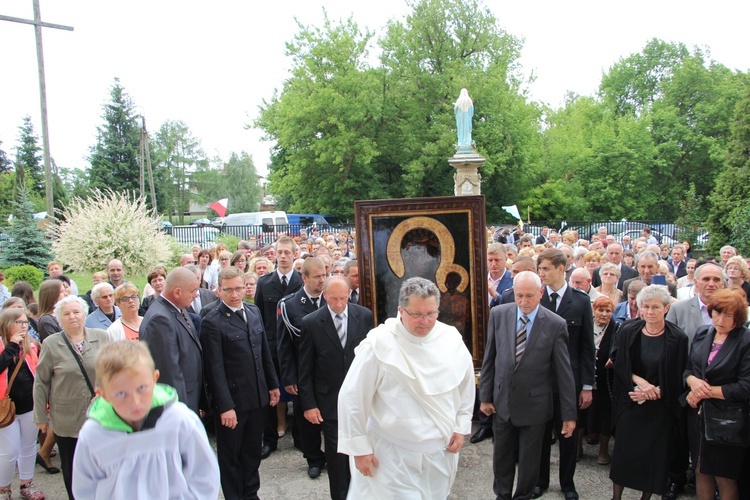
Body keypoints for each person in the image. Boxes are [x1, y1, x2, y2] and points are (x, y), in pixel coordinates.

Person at [338, 277, 473, 498]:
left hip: (440, 454)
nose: (425, 321)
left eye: (431, 313)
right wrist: (359, 448)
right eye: (417, 315)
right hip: (391, 456)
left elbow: (465, 386)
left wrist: (460, 426)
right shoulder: (379, 344)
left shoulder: (450, 338)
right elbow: (352, 397)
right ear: (401, 310)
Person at [72, 341, 220, 499]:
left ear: (155, 378)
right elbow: (85, 488)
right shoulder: (93, 434)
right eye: (121, 394)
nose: (135, 402)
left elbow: (204, 473)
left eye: (142, 388)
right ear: (103, 394)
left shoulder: (179, 420)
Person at [479, 271, 577, 500]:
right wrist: (485, 396)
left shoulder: (555, 324)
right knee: (501, 456)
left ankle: (522, 496)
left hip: (536, 406)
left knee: (530, 460)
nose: (524, 302)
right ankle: (502, 495)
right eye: (519, 295)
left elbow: (564, 374)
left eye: (529, 296)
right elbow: (490, 357)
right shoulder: (499, 314)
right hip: (502, 402)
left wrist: (569, 415)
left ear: (541, 293)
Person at [200, 266, 279, 499]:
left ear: (245, 287)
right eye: (228, 290)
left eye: (238, 288)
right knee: (231, 455)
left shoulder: (253, 311)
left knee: (252, 452)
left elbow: (263, 351)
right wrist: (225, 407)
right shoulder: (212, 321)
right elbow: (214, 369)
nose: (234, 295)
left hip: (256, 396)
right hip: (232, 402)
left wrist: (272, 385)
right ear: (219, 291)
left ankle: (250, 492)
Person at [298, 276, 374, 499]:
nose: (339, 304)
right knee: (338, 459)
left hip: (361, 400)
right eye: (334, 299)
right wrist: (309, 405)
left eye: (343, 298)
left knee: (365, 454)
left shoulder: (364, 315)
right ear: (325, 296)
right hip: (329, 403)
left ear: (350, 295)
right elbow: (305, 369)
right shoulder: (311, 322)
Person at [610, 285, 688, 500]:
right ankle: (616, 497)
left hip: (660, 407)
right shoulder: (628, 330)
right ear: (640, 308)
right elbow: (620, 363)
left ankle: (646, 497)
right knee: (624, 454)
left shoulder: (678, 338)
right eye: (646, 306)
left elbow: (679, 374)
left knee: (654, 458)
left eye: (656, 307)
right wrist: (638, 383)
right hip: (631, 401)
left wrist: (654, 392)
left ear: (666, 308)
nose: (650, 311)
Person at [33, 296, 109, 499]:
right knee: (73, 469)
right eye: (66, 313)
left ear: (84, 314)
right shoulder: (51, 343)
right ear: (59, 319)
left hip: (100, 418)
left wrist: (103, 393)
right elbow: (41, 382)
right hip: (67, 420)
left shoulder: (102, 337)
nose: (72, 316)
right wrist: (40, 417)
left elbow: (114, 371)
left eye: (76, 312)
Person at [534, 249, 595, 500]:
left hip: (569, 380)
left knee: (568, 433)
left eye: (546, 268)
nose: (541, 274)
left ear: (561, 268)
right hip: (541, 380)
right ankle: (540, 481)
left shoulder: (580, 301)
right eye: (539, 269)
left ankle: (567, 483)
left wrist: (587, 386)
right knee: (540, 434)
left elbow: (586, 347)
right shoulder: (536, 299)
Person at [683, 289, 750, 500]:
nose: (720, 320)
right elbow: (688, 370)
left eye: (728, 315)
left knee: (724, 477)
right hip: (699, 417)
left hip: (728, 420)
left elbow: (745, 387)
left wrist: (703, 392)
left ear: (737, 318)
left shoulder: (745, 340)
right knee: (701, 471)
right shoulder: (703, 333)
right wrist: (692, 381)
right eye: (717, 313)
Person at [276, 258, 328, 479]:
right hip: (303, 373)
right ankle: (314, 458)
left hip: (329, 372)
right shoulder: (289, 305)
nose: (322, 280)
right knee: (306, 419)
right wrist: (289, 378)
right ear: (304, 278)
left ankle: (335, 457)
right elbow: (284, 344)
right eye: (317, 276)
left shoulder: (332, 299)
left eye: (324, 275)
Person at [254, 236, 302, 459]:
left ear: (295, 254)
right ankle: (269, 439)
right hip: (272, 347)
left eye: (287, 252)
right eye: (279, 252)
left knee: (300, 393)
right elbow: (259, 318)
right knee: (270, 394)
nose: (283, 256)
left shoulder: (302, 282)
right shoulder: (265, 283)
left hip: (298, 347)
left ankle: (303, 439)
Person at [139, 267, 203, 415]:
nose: (196, 295)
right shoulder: (160, 320)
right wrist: (181, 413)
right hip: (178, 407)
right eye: (193, 290)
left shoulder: (177, 308)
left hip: (191, 398)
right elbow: (169, 374)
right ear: (177, 292)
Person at [0, 308, 45, 500]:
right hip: (5, 407)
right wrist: (11, 346)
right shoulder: (3, 345)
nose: (23, 326)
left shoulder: (32, 345)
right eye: (18, 322)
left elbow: (39, 374)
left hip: (30, 404)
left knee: (28, 447)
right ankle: (4, 489)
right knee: (9, 451)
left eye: (25, 322)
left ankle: (27, 484)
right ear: (7, 324)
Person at [588, 296, 618, 466]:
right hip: (586, 376)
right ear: (594, 310)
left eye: (608, 311)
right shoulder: (587, 325)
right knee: (582, 411)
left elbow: (619, 347)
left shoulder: (616, 328)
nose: (604, 314)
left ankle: (603, 450)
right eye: (600, 310)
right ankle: (577, 448)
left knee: (605, 413)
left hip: (606, 379)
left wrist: (614, 358)